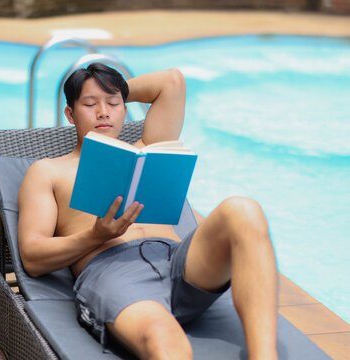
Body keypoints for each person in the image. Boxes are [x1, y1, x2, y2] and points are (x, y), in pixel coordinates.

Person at [18, 63, 278, 360]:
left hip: (178, 262)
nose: (103, 112)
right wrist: (94, 236)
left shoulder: (147, 148)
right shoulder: (48, 172)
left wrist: (113, 90)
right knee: (167, 344)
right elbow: (32, 256)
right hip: (116, 275)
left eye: (113, 104)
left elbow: (171, 82)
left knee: (243, 210)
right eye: (90, 104)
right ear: (70, 113)